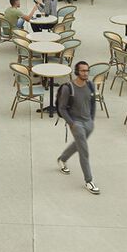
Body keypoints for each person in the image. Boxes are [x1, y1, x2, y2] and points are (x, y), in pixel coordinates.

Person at [54, 61, 100, 194]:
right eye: (83, 71)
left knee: (79, 145)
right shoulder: (69, 88)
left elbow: (93, 103)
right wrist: (71, 123)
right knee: (84, 151)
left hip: (88, 123)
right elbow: (62, 108)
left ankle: (62, 159)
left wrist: (92, 119)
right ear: (77, 72)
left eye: (87, 70)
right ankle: (89, 181)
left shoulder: (90, 85)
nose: (85, 73)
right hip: (76, 123)